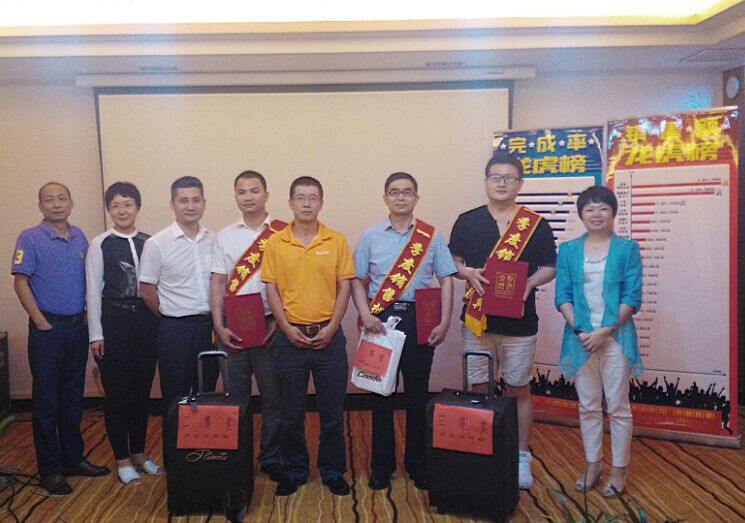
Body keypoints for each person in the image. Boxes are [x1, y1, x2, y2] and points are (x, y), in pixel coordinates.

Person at [449, 153, 557, 490]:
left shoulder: (535, 225)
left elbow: (550, 267)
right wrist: (467, 272)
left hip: (519, 325)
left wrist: (530, 283)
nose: (502, 183)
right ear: (485, 182)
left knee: (519, 389)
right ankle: (481, 451)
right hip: (477, 321)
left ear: (520, 184)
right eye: (496, 177)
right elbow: (452, 261)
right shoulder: (467, 221)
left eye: (510, 178)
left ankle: (521, 456)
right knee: (477, 388)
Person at [351, 172, 455, 491]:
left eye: (407, 192)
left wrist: (445, 321)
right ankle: (381, 466)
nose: (400, 197)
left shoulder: (431, 236)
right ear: (385, 198)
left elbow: (446, 278)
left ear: (416, 198)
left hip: (421, 319)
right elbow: (355, 279)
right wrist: (365, 314)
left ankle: (418, 464)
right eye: (394, 192)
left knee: (417, 394)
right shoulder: (370, 236)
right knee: (381, 395)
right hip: (381, 321)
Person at [11, 182, 109, 495]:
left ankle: (73, 459)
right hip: (48, 332)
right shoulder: (30, 237)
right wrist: (41, 322)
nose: (56, 204)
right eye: (49, 200)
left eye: (62, 198)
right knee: (46, 402)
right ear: (40, 206)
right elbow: (20, 282)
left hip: (77, 329)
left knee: (72, 399)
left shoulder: (80, 237)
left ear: (71, 203)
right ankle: (50, 469)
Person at [262, 176, 355, 497]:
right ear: (290, 203)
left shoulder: (336, 241)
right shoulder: (276, 243)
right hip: (289, 338)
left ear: (321, 203)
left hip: (329, 337)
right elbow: (271, 289)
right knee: (291, 413)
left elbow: (345, 287)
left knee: (332, 413)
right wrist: (286, 329)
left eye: (313, 198)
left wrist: (332, 328)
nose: (306, 203)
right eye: (300, 198)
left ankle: (332, 471)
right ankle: (294, 470)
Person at [555, 185, 643, 497]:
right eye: (589, 208)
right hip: (580, 338)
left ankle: (619, 469)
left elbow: (632, 296)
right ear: (581, 214)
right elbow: (562, 295)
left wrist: (605, 330)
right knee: (588, 405)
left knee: (618, 406)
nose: (596, 214)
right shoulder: (568, 250)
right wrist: (582, 330)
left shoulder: (627, 249)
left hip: (616, 337)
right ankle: (593, 464)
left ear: (613, 213)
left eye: (603, 208)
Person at [210, 170, 285, 482]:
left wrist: (280, 322)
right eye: (242, 192)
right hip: (233, 325)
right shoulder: (225, 235)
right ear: (235, 197)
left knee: (274, 398)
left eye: (255, 190)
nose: (249, 197)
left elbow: (292, 283)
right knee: (235, 399)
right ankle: (237, 457)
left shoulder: (283, 233)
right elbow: (218, 282)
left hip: (270, 323)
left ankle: (270, 457)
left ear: (266, 195)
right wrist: (219, 325)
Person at [139, 176, 217, 469]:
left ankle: (204, 457)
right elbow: (147, 290)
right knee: (176, 396)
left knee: (206, 394)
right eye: (183, 200)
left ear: (204, 203)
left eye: (196, 200)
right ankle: (177, 463)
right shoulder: (157, 244)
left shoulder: (214, 239)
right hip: (175, 329)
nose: (190, 206)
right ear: (172, 204)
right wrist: (170, 315)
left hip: (208, 328)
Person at [86, 182, 161, 485]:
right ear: (109, 210)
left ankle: (140, 452)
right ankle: (122, 458)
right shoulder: (100, 244)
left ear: (138, 208)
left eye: (128, 204)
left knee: (142, 391)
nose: (122, 210)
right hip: (114, 321)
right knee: (117, 394)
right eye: (115, 205)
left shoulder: (149, 241)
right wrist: (95, 334)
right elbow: (93, 289)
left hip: (146, 321)